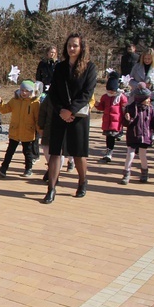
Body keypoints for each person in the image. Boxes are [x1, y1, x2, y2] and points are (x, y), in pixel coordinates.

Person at [43, 33, 97, 204]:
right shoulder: (60, 67)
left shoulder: (90, 67)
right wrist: (61, 111)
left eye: (75, 45)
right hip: (60, 114)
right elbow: (53, 92)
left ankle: (82, 181)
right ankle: (51, 189)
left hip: (78, 115)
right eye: (69, 46)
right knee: (55, 152)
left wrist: (71, 111)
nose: (71, 48)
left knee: (78, 152)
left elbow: (87, 93)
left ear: (82, 48)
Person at [0, 80, 40, 178]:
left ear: (31, 91)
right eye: (22, 90)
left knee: (27, 151)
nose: (24, 93)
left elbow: (37, 118)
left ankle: (28, 168)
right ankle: (4, 168)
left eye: (27, 91)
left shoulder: (35, 103)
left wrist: (39, 129)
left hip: (28, 131)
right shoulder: (14, 100)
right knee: (10, 151)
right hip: (15, 130)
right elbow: (4, 109)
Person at [119, 87, 154, 185]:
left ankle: (145, 172)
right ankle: (126, 173)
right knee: (130, 154)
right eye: (147, 98)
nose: (149, 100)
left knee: (142, 154)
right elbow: (125, 123)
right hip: (133, 135)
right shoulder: (131, 108)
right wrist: (127, 119)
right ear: (141, 99)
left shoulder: (150, 110)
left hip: (145, 136)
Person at [94, 72, 127, 163]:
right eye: (109, 90)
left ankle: (109, 152)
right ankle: (108, 151)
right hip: (107, 121)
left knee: (111, 137)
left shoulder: (121, 97)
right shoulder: (105, 97)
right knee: (108, 137)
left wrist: (126, 114)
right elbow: (102, 107)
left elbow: (125, 108)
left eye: (112, 90)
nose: (110, 92)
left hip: (116, 121)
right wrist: (97, 105)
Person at [129, 47, 154, 112]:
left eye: (149, 59)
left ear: (153, 58)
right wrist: (139, 84)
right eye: (145, 58)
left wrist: (152, 85)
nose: (147, 60)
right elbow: (130, 79)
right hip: (137, 95)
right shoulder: (136, 66)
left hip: (151, 96)